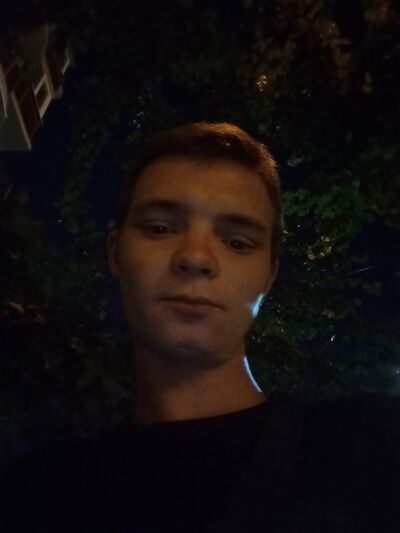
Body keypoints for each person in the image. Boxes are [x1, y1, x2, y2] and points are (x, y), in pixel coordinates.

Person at [1, 122, 399, 533]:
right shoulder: (38, 494)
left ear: (269, 275)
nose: (195, 257)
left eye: (237, 242)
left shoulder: (378, 446)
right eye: (160, 228)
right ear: (115, 252)